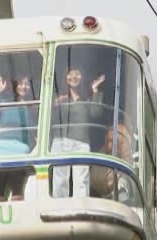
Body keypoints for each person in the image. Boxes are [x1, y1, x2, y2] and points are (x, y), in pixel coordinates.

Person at [51, 68, 104, 198]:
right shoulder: (59, 98)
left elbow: (95, 112)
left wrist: (95, 90)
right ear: (65, 77)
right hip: (61, 140)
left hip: (81, 143)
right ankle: (59, 208)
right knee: (60, 179)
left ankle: (81, 206)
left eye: (77, 73)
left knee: (81, 180)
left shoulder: (86, 100)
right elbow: (49, 118)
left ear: (82, 77)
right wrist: (54, 104)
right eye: (70, 73)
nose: (74, 76)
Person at [0, 74, 32, 202]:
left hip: (20, 152)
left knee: (18, 192)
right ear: (15, 86)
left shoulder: (31, 106)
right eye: (21, 83)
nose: (24, 86)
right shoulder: (7, 103)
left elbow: (31, 130)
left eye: (27, 84)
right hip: (1, 150)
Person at [90, 122, 133, 199]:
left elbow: (127, 168)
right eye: (108, 139)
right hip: (95, 195)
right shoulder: (101, 153)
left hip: (117, 196)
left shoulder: (125, 154)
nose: (110, 143)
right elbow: (94, 177)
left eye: (113, 140)